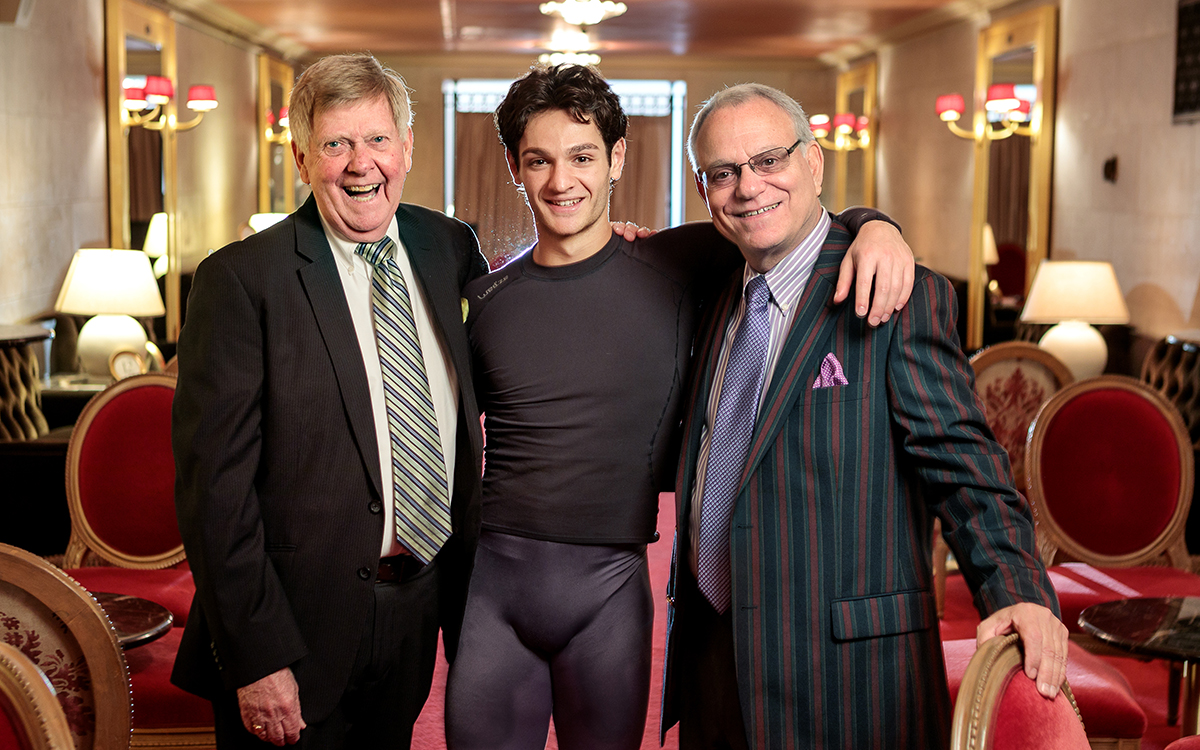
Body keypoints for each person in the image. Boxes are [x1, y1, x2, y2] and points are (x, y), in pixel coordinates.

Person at [444, 64, 915, 750]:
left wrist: (876, 225)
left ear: (617, 159)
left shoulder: (681, 262)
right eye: (539, 161)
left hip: (611, 594)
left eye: (581, 157)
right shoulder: (486, 302)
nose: (560, 181)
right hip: (494, 593)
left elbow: (792, 223)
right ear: (515, 167)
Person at [659, 83, 1069, 750]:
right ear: (702, 187)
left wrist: (1017, 588)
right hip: (715, 656)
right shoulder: (709, 291)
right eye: (723, 173)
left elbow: (964, 465)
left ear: (814, 161)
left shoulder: (895, 294)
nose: (748, 187)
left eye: (769, 160)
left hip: (847, 677)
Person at [171, 53, 490, 748]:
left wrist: (613, 245)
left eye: (377, 139)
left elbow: (514, 343)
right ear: (300, 155)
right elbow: (214, 496)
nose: (359, 163)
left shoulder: (448, 248)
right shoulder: (240, 282)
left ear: (407, 148)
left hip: (418, 602)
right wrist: (258, 660)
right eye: (336, 143)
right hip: (292, 625)